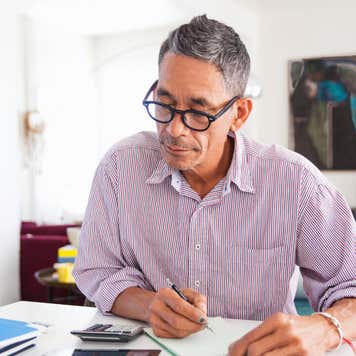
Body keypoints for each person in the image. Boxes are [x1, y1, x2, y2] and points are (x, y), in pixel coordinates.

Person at [73, 15, 356, 355]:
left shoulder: (295, 183)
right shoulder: (119, 168)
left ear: (239, 113)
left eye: (198, 112)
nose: (175, 129)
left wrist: (326, 327)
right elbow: (96, 270)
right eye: (164, 104)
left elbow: (349, 285)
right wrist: (148, 305)